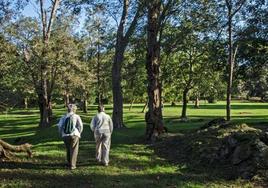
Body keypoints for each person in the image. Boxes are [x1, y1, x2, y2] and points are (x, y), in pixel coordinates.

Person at [57, 104, 83, 170]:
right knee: (74, 149)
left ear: (67, 110)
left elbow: (60, 126)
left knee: (68, 148)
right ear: (74, 109)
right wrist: (79, 133)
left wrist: (61, 133)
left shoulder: (63, 117)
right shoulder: (76, 116)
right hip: (74, 134)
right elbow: (80, 126)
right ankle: (72, 165)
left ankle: (69, 162)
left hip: (65, 135)